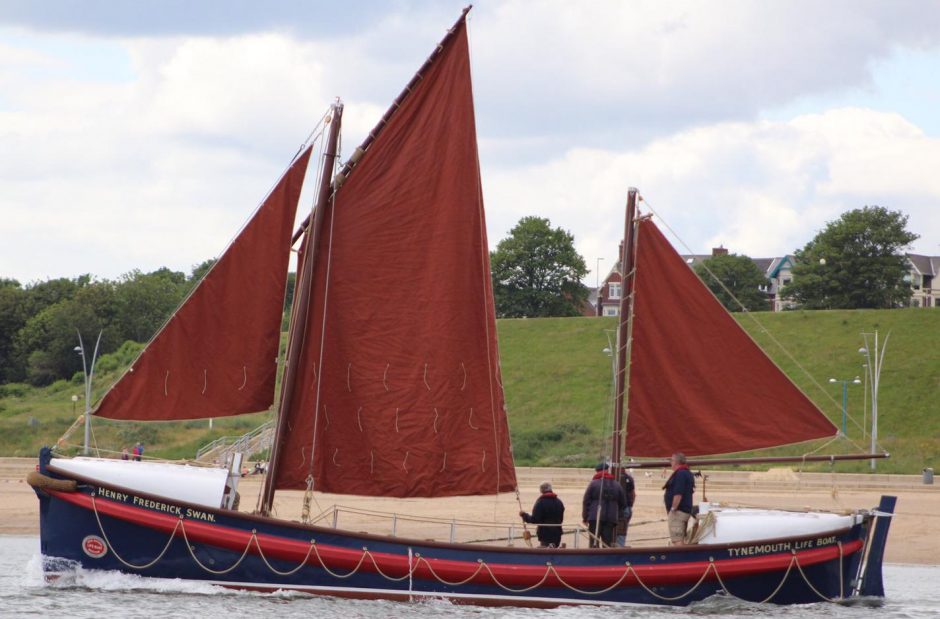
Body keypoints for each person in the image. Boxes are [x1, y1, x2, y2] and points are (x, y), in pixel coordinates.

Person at [582, 462, 626, 548]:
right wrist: (616, 512)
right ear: (607, 471)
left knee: (594, 542)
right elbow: (623, 503)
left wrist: (585, 517)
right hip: (610, 518)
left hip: (595, 517)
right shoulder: (617, 485)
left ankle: (594, 559)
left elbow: (586, 501)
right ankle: (607, 559)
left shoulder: (593, 483)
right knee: (607, 543)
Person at [519, 482, 565, 548]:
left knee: (545, 551)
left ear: (541, 490)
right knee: (554, 550)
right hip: (557, 533)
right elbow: (560, 519)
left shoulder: (540, 502)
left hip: (545, 534)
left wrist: (524, 515)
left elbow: (534, 519)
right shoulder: (559, 502)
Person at [663, 452, 695, 545]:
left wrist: (673, 509)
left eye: (672, 460)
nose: (670, 463)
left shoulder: (680, 474)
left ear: (676, 462)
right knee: (681, 538)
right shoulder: (687, 473)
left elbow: (678, 494)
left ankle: (682, 558)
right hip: (684, 510)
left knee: (677, 540)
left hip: (678, 512)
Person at [615, 468, 637, 546]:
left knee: (617, 531)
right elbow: (633, 494)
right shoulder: (629, 478)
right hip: (627, 507)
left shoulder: (614, 478)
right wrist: (630, 506)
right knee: (622, 531)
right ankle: (620, 546)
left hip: (619, 509)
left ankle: (618, 549)